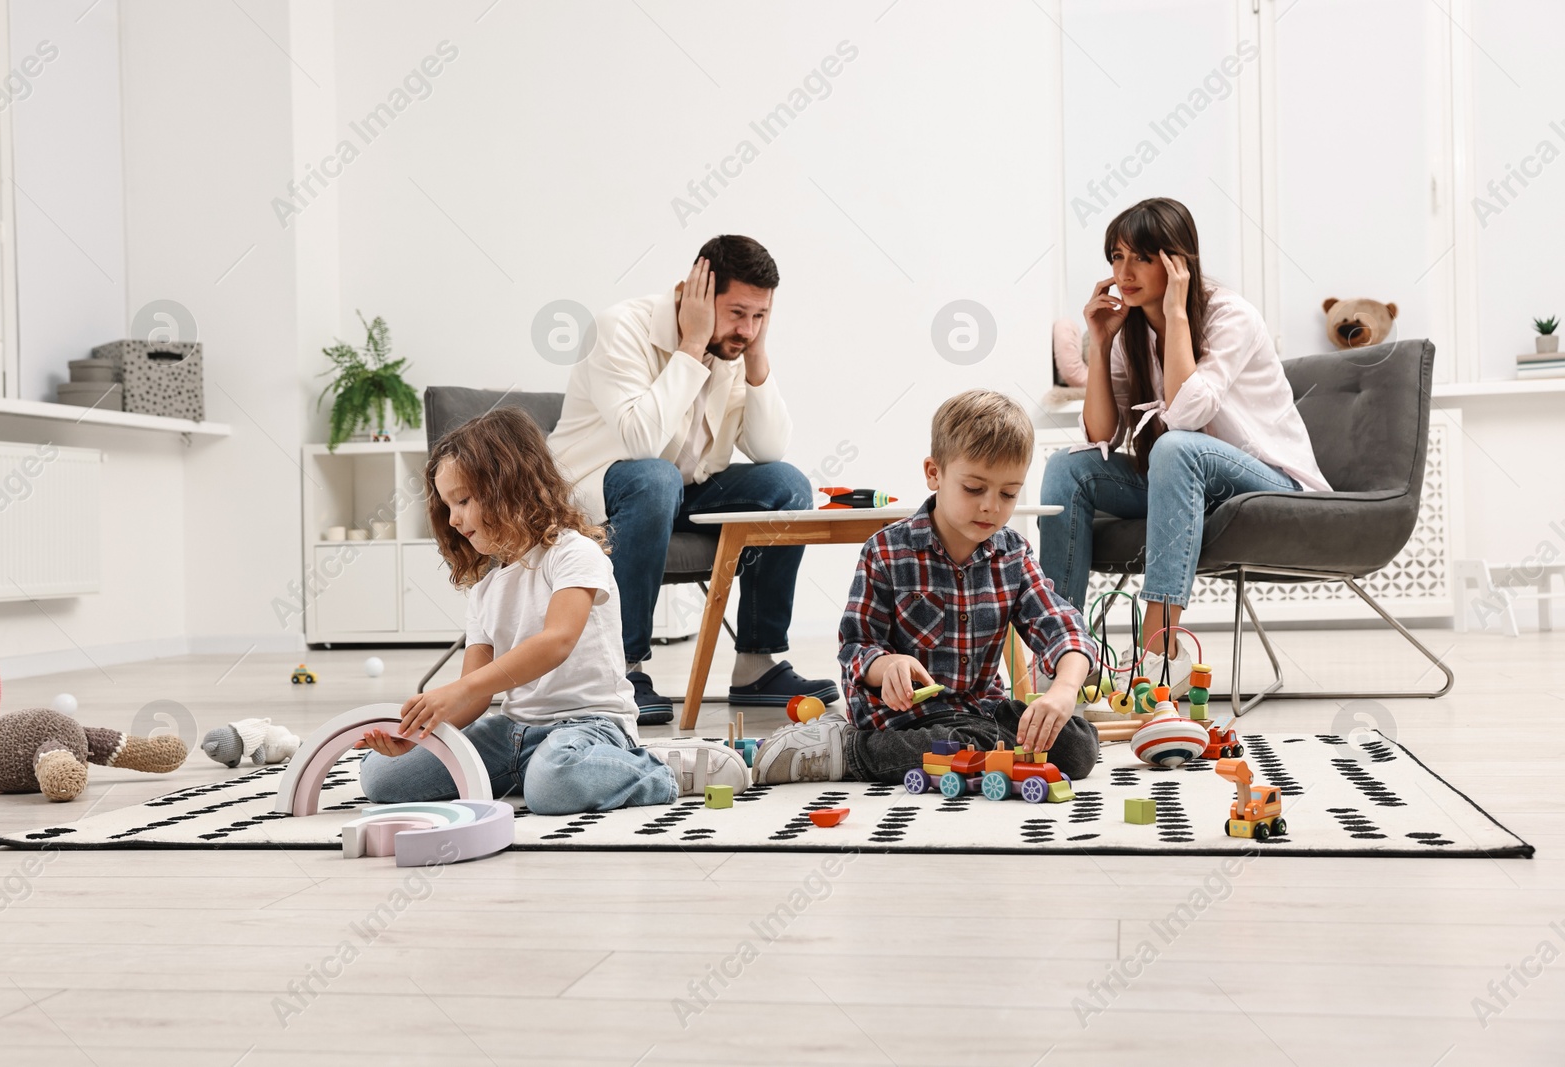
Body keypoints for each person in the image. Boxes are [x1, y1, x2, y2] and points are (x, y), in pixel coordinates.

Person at [356, 407, 748, 814]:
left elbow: (557, 641)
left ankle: (667, 769)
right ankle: (540, 771)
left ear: (507, 487)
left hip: (589, 725)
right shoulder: (486, 589)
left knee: (555, 783)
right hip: (513, 732)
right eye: (447, 506)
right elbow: (474, 697)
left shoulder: (573, 553)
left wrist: (457, 690)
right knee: (381, 776)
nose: (453, 519)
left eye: (464, 500)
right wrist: (419, 735)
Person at [1039, 197, 1330, 695]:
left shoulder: (1228, 315)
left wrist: (1176, 315)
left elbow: (1188, 414)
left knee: (1174, 446)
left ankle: (1161, 645)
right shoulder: (1129, 327)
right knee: (1068, 468)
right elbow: (1101, 438)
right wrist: (1102, 340)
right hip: (1184, 478)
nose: (1124, 272)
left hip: (1269, 481)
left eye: (1141, 258)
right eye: (1116, 257)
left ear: (1177, 263)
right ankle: (1065, 653)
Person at [548, 234, 835, 725]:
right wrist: (692, 346)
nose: (746, 329)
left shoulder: (732, 350)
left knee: (786, 485)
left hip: (680, 489)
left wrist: (756, 358)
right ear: (694, 293)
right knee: (654, 478)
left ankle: (756, 665)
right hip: (597, 488)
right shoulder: (619, 328)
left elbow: (768, 449)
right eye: (738, 313)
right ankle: (622, 670)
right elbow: (640, 441)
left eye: (760, 317)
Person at [749, 390, 1100, 786]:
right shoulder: (886, 552)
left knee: (1078, 745)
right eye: (974, 489)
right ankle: (848, 751)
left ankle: (980, 750)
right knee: (961, 742)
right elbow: (856, 648)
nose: (991, 506)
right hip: (904, 720)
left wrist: (1065, 690)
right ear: (934, 473)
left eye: (1008, 493)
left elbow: (1063, 628)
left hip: (981, 713)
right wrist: (888, 666)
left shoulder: (1013, 555)